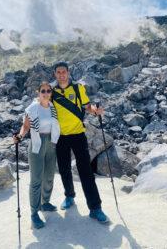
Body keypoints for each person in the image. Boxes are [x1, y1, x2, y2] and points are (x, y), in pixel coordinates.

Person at [52, 61, 109, 223]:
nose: (61, 74)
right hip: (61, 137)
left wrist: (95, 111)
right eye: (58, 72)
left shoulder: (78, 88)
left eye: (64, 71)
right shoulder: (52, 91)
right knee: (64, 169)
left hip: (78, 134)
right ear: (55, 74)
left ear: (68, 72)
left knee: (86, 172)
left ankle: (95, 208)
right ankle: (69, 196)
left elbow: (87, 107)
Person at [13, 82, 60, 229]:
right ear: (38, 93)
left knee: (49, 176)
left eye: (48, 91)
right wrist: (20, 136)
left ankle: (45, 202)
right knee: (36, 180)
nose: (46, 93)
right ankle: (34, 213)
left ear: (51, 93)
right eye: (43, 91)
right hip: (37, 144)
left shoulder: (52, 107)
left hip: (51, 143)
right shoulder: (33, 109)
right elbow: (26, 126)